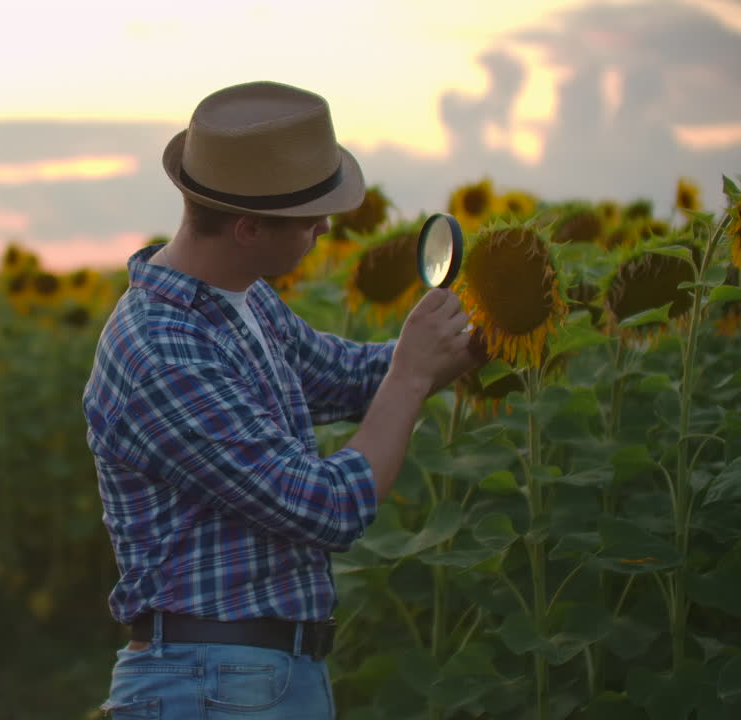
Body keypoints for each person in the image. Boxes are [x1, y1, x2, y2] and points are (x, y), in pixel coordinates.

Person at [81, 80, 486, 718]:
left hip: (254, 675)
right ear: (246, 228)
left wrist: (469, 340)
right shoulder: (163, 350)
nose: (326, 227)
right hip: (210, 683)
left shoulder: (241, 300)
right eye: (310, 219)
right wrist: (411, 377)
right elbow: (326, 506)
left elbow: (348, 376)